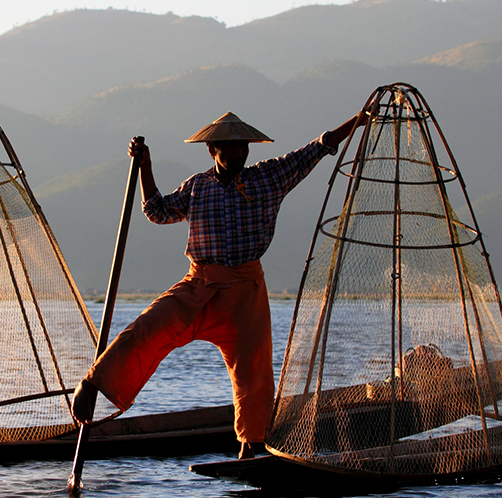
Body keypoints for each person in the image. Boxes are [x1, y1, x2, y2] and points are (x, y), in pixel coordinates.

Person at [72, 110, 367, 459]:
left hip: (245, 293)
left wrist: (358, 121)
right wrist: (145, 166)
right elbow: (157, 210)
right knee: (147, 328)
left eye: (243, 147)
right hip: (199, 286)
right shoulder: (197, 186)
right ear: (213, 149)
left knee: (253, 373)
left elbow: (318, 148)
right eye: (230, 147)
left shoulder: (268, 178)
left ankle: (252, 445)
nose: (239, 153)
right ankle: (94, 383)